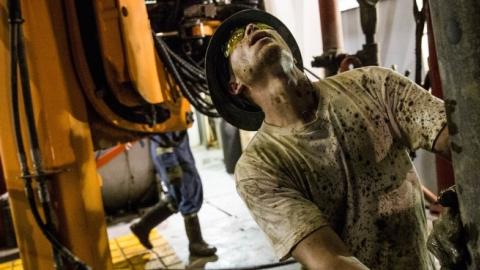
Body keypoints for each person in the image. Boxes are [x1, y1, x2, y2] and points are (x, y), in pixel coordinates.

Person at [205, 9, 452, 270]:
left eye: (258, 26)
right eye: (235, 40)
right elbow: (332, 261)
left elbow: (458, 140)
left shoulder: (372, 85)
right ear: (234, 85)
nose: (251, 30)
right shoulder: (258, 168)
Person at [130, 132, 217, 257]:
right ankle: (196, 243)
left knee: (177, 197)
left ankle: (142, 227)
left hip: (174, 147)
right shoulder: (164, 114)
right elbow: (162, 133)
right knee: (189, 193)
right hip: (168, 150)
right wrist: (171, 166)